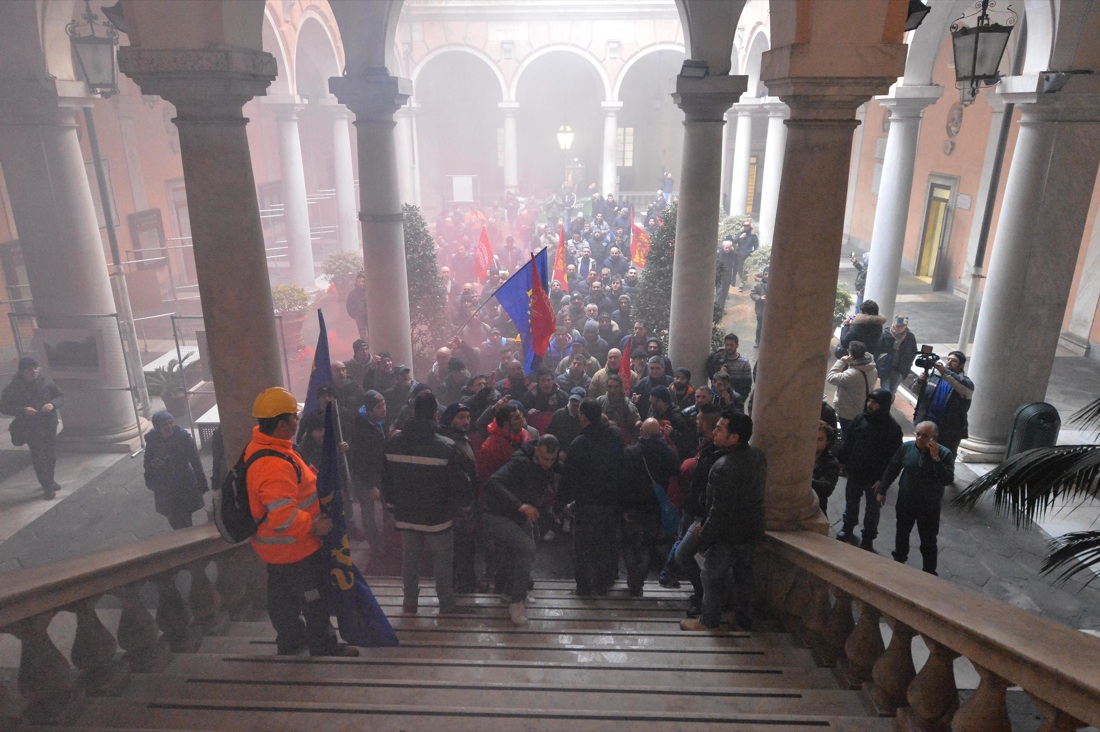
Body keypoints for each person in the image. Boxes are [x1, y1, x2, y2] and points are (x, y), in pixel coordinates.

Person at [245, 387, 358, 657]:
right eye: (294, 418)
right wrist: (313, 525)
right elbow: (283, 514)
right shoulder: (273, 464)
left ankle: (290, 640)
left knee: (282, 600)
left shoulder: (265, 447)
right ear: (282, 424)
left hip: (276, 550)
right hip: (295, 548)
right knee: (313, 599)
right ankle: (323, 645)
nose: (299, 421)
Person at [382, 391, 472, 615]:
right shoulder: (445, 446)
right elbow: (457, 484)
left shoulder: (393, 442)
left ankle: (410, 602)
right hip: (438, 518)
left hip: (405, 515)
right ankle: (446, 603)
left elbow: (385, 479)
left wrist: (392, 506)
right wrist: (461, 509)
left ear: (412, 412)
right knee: (442, 560)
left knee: (410, 558)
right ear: (435, 414)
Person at [680, 411, 766, 632]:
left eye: (720, 429)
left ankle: (708, 620)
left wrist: (705, 538)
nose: (715, 432)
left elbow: (719, 511)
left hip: (728, 534)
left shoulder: (723, 467)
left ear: (734, 437)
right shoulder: (757, 455)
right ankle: (743, 619)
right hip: (751, 528)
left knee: (711, 576)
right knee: (743, 576)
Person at [484, 434, 560, 625]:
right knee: (526, 548)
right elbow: (493, 482)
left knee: (521, 552)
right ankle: (517, 602)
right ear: (536, 451)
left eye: (551, 460)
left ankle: (511, 593)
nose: (547, 464)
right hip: (498, 513)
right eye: (544, 458)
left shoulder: (546, 464)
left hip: (520, 515)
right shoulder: (519, 462)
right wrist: (520, 505)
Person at [560, 398, 626, 596]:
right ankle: (605, 581)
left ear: (584, 417)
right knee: (607, 542)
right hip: (612, 500)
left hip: (587, 503)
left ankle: (584, 587)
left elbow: (569, 477)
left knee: (583, 546)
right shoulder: (615, 434)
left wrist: (560, 504)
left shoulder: (579, 443)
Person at [875, 421, 955, 575]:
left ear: (934, 438)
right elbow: (893, 468)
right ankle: (899, 562)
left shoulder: (944, 454)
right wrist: (882, 490)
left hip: (929, 507)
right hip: (906, 502)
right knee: (902, 533)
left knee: (928, 540)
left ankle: (929, 571)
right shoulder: (907, 448)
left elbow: (947, 479)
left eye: (924, 436)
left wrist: (935, 458)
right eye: (917, 434)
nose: (919, 438)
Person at [836, 389, 903, 550]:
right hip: (856, 472)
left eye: (874, 402)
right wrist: (843, 461)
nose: (869, 405)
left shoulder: (893, 429)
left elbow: (894, 460)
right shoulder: (860, 419)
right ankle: (848, 527)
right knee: (851, 502)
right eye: (869, 401)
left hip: (875, 479)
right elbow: (849, 441)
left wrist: (883, 481)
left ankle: (868, 537)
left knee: (872, 511)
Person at [620, 418, 680, 596]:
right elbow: (675, 472)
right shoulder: (668, 453)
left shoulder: (631, 452)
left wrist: (623, 507)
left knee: (629, 544)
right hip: (654, 507)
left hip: (632, 506)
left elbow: (622, 482)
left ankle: (633, 577)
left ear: (641, 432)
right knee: (647, 544)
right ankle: (639, 581)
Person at [1, 357, 64, 499]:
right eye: (30, 369)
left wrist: (52, 404)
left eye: (36, 368)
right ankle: (47, 486)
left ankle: (50, 479)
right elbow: (4, 407)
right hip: (29, 426)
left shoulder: (46, 382)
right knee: (39, 456)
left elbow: (60, 396)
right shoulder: (13, 388)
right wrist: (23, 410)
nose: (34, 371)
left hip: (48, 423)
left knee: (51, 454)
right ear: (22, 372)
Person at [439, 403, 480, 594]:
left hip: (468, 503)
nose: (466, 421)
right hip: (457, 507)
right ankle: (458, 586)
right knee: (459, 547)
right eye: (460, 417)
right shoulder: (448, 443)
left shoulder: (462, 439)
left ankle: (468, 581)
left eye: (467, 417)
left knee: (468, 546)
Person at [143, 410, 208, 529]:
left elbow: (196, 462)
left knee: (185, 517)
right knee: (172, 516)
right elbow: (147, 462)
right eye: (165, 424)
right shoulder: (152, 440)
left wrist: (201, 483)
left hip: (183, 483)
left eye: (171, 423)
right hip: (164, 486)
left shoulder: (184, 438)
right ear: (158, 427)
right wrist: (153, 465)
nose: (169, 427)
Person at [913, 350, 974, 457]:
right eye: (948, 359)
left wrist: (944, 372)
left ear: (962, 365)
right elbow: (916, 391)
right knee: (921, 456)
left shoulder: (966, 383)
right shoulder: (935, 377)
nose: (949, 362)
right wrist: (920, 381)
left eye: (954, 361)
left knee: (944, 458)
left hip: (949, 431)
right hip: (928, 426)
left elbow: (959, 384)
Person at [826, 341, 878, 437]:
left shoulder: (852, 374)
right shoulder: (872, 369)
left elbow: (831, 378)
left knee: (848, 435)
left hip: (848, 411)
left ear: (851, 355)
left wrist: (842, 361)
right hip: (862, 408)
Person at [876, 316, 918, 396]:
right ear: (894, 324)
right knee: (885, 391)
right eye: (898, 326)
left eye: (902, 326)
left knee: (892, 391)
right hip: (886, 367)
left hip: (900, 369)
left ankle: (887, 405)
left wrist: (908, 363)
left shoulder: (910, 337)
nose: (899, 328)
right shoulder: (886, 335)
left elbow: (913, 352)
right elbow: (878, 350)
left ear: (906, 326)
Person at [705, 333, 753, 400]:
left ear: (737, 345)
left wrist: (741, 399)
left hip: (736, 398)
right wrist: (720, 373)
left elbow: (747, 384)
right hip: (718, 399)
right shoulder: (717, 359)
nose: (729, 347)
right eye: (727, 345)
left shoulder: (744, 363)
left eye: (732, 345)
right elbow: (712, 378)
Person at [811, 421, 840, 518]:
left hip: (816, 508)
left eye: (820, 439)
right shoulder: (799, 454)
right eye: (812, 438)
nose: (814, 443)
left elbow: (826, 489)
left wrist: (806, 481)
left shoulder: (831, 463)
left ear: (827, 442)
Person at [733, 219, 759, 292]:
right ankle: (742, 279)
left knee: (745, 269)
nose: (746, 227)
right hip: (739, 254)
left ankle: (742, 283)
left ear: (750, 226)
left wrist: (753, 254)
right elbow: (734, 241)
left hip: (748, 255)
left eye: (747, 226)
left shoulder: (753, 235)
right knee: (739, 269)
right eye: (745, 226)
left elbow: (756, 246)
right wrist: (740, 237)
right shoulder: (740, 233)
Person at [749, 267, 768, 348]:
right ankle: (757, 340)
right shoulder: (758, 284)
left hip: (771, 310)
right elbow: (752, 294)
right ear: (763, 274)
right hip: (760, 309)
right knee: (760, 325)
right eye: (766, 274)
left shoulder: (775, 284)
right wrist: (760, 298)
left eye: (769, 274)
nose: (767, 276)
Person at [345, 272, 368, 340]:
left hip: (369, 317)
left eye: (363, 282)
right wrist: (354, 315)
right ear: (356, 283)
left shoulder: (368, 291)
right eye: (359, 282)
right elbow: (349, 305)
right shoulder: (353, 294)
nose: (361, 283)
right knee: (362, 335)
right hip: (360, 317)